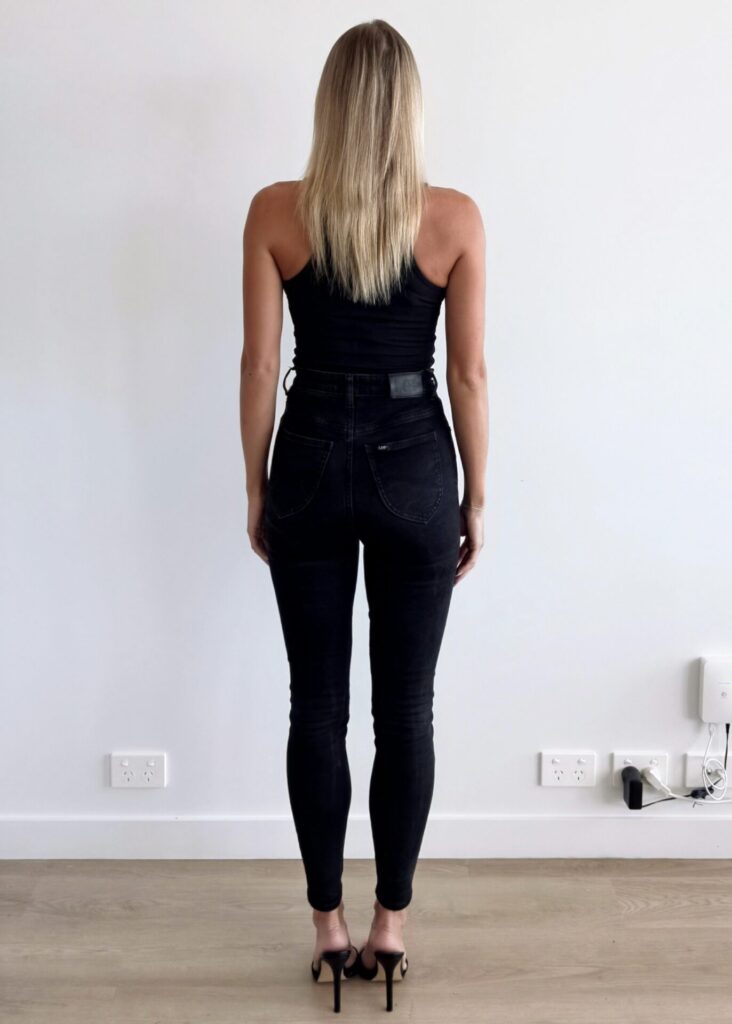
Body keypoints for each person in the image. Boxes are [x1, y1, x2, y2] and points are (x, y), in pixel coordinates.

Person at [240, 18, 487, 1014]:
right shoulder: (454, 219)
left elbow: (262, 365)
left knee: (316, 707)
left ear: (331, 107)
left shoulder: (275, 212)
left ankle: (326, 930)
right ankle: (390, 927)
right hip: (414, 459)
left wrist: (255, 485)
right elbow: (467, 375)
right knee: (406, 711)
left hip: (306, 452)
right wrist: (477, 495)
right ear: (409, 110)